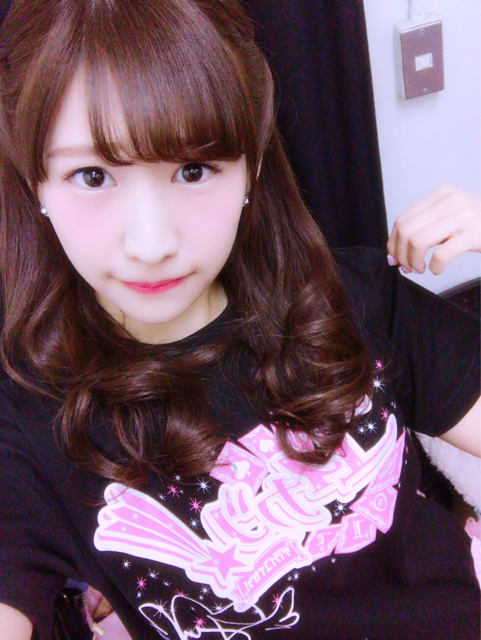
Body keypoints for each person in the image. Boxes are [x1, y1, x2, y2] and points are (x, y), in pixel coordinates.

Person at [0, 1, 480, 639]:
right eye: (92, 176)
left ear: (250, 167)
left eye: (193, 170)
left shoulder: (356, 299)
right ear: (36, 182)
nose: (151, 243)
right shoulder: (28, 425)